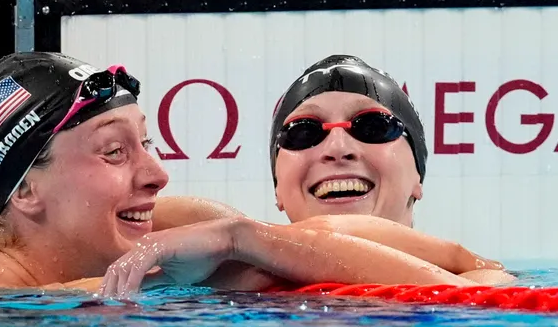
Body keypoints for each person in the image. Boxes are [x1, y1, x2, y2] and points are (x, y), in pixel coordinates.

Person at [0, 52, 510, 293]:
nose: (158, 173)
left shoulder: (157, 232)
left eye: (147, 143)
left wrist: (242, 241)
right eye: (115, 151)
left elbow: (292, 244)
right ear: (25, 190)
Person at [100, 54, 514, 295]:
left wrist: (240, 238)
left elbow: (472, 298)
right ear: (278, 189)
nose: (337, 148)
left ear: (418, 175)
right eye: (303, 133)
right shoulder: (220, 271)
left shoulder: (481, 278)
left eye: (372, 127)